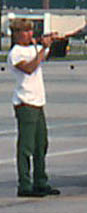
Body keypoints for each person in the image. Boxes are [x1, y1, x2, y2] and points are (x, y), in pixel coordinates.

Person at [10, 19, 59, 198]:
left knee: (41, 144)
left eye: (31, 31)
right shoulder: (16, 53)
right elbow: (29, 68)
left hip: (38, 102)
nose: (30, 34)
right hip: (25, 103)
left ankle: (40, 181)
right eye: (25, 31)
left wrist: (49, 43)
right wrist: (42, 49)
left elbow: (47, 56)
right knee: (26, 146)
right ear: (16, 34)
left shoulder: (32, 48)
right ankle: (24, 184)